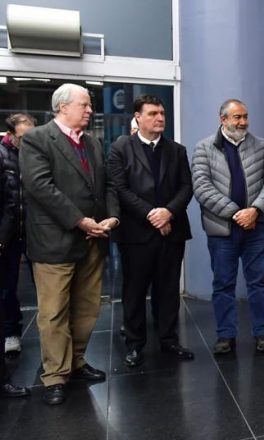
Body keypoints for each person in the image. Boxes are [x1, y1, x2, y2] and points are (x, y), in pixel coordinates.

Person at [21, 83, 120, 405]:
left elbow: (105, 185)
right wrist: (80, 220)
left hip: (93, 241)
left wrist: (111, 218)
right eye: (85, 105)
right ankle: (54, 376)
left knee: (87, 309)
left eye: (89, 105)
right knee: (53, 313)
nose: (90, 110)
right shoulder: (37, 139)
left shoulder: (91, 143)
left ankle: (76, 362)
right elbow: (40, 187)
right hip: (55, 241)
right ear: (63, 107)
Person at [106, 94, 194, 367]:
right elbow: (120, 189)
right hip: (136, 234)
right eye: (153, 113)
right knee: (134, 290)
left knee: (168, 290)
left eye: (162, 113)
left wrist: (168, 211)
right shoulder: (121, 148)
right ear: (138, 117)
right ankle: (134, 344)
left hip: (172, 230)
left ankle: (168, 340)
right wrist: (151, 214)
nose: (160, 118)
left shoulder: (176, 150)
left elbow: (186, 187)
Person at [192, 99, 264, 355]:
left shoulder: (261, 145)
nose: (243, 122)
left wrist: (255, 210)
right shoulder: (203, 148)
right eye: (237, 117)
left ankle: (262, 332)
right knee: (223, 284)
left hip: (257, 227)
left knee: (259, 283)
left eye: (245, 116)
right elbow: (202, 188)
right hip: (222, 230)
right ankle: (225, 336)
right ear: (223, 119)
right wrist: (236, 213)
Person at [0, 113, 35, 354]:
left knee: (46, 286)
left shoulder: (37, 155)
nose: (28, 141)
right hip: (9, 233)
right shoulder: (2, 156)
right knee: (8, 286)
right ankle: (12, 331)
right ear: (10, 135)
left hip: (35, 231)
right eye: (23, 137)